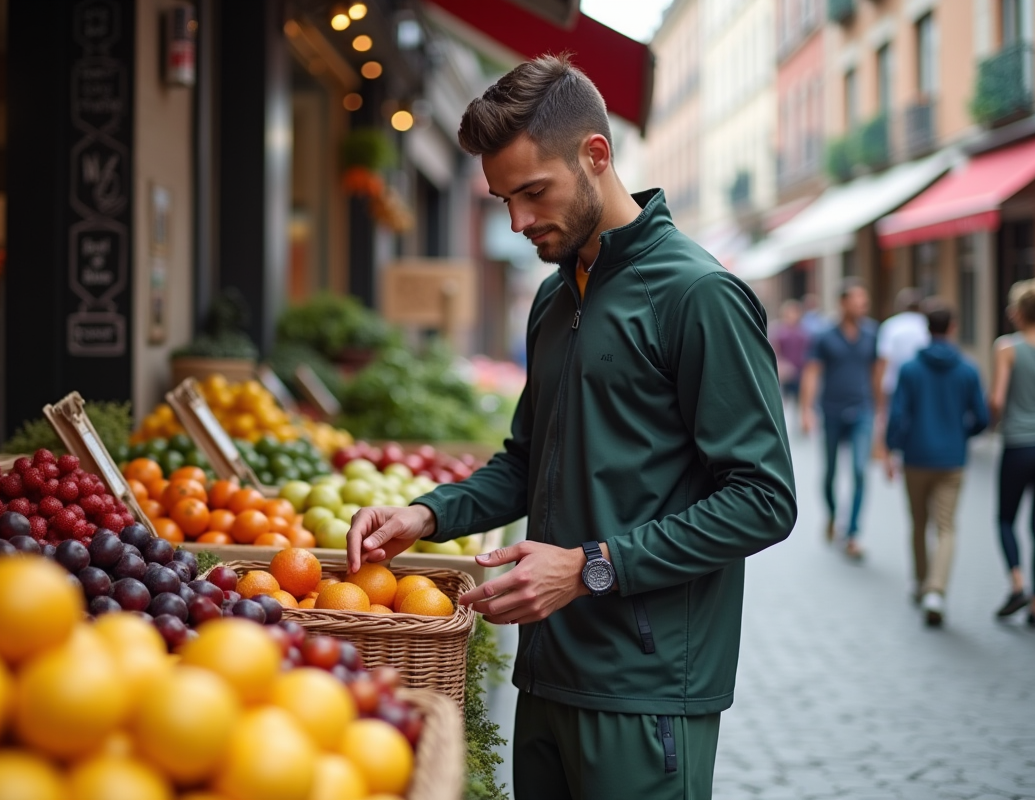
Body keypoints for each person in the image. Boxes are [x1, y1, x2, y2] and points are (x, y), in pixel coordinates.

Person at [346, 54, 797, 800]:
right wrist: (427, 513)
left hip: (645, 691)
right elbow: (527, 462)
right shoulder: (555, 300)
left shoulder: (700, 296)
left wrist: (591, 566)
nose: (520, 222)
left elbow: (764, 499)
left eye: (533, 192)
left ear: (596, 154)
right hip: (548, 675)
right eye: (503, 201)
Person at [883, 301, 988, 626]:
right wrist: (961, 434)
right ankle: (936, 591)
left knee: (918, 523)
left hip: (916, 457)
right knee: (946, 527)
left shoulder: (911, 368)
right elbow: (982, 417)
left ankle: (920, 582)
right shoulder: (968, 368)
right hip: (951, 459)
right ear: (953, 327)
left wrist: (892, 447)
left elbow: (898, 415)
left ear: (927, 328)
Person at [799, 281, 880, 558]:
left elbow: (876, 374)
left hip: (863, 411)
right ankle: (833, 515)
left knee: (859, 471)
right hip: (831, 411)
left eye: (864, 302)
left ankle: (853, 533)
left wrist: (880, 412)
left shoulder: (872, 333)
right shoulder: (825, 335)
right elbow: (812, 372)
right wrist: (806, 410)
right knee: (830, 472)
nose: (862, 306)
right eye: (857, 301)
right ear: (843, 303)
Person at [988, 276, 1035, 629]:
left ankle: (1017, 583)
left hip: (1019, 444)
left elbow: (996, 400)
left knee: (1006, 518)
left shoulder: (1007, 348)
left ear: (1019, 313)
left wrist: (994, 420)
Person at [875, 287, 930, 439]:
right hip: (921, 385)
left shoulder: (891, 326)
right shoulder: (926, 325)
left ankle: (891, 457)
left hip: (893, 384)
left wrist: (879, 398)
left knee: (892, 426)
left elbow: (882, 361)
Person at [771, 299, 811, 404]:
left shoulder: (804, 331)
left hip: (801, 371)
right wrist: (781, 365)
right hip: (785, 373)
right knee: (784, 402)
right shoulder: (779, 331)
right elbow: (775, 350)